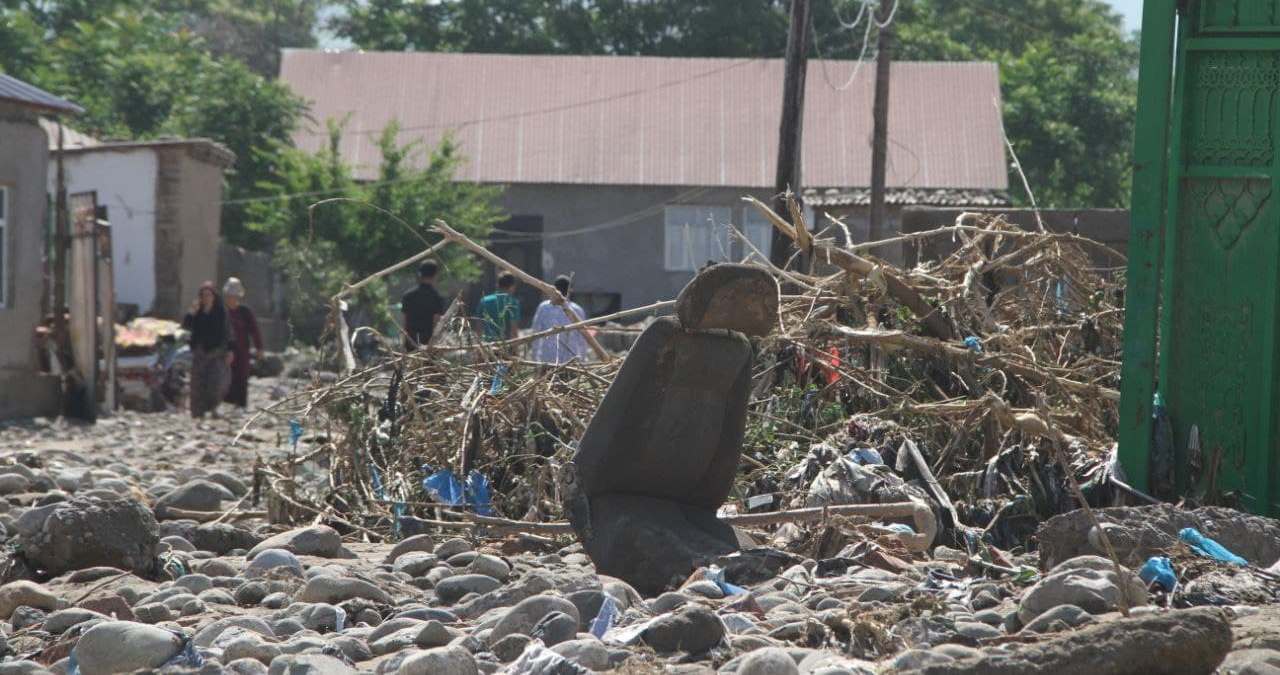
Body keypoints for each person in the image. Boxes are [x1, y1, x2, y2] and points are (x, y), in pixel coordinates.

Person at [182, 281, 232, 418]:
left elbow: (227, 332)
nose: (206, 298)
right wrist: (191, 311)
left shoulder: (220, 311)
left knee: (215, 383)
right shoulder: (197, 312)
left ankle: (213, 409)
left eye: (209, 295)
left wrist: (229, 350)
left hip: (216, 352)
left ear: (214, 296)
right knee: (197, 383)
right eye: (203, 295)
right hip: (200, 351)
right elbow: (186, 325)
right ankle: (198, 413)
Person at [222, 277, 264, 408]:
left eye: (234, 296)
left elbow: (254, 331)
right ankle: (226, 404)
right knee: (226, 377)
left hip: (242, 350)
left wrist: (259, 348)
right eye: (229, 296)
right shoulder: (222, 312)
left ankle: (240, 405)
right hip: (225, 351)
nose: (231, 299)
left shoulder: (245, 312)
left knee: (241, 377)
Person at [530, 275, 590, 364]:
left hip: (548, 360)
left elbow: (536, 333)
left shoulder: (543, 308)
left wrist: (535, 357)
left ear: (554, 289)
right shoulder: (577, 310)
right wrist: (583, 359)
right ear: (570, 290)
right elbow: (583, 339)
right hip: (570, 362)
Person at [401, 260, 447, 349]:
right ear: (435, 275)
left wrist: (403, 344)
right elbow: (437, 323)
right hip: (428, 346)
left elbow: (404, 323)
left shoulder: (408, 296)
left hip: (410, 344)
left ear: (420, 274)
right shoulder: (437, 298)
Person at [477, 271, 521, 342]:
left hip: (488, 345)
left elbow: (479, 326)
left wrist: (479, 346)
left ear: (498, 284)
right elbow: (513, 330)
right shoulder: (512, 302)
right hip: (506, 345)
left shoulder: (484, 301)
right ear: (512, 286)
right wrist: (515, 350)